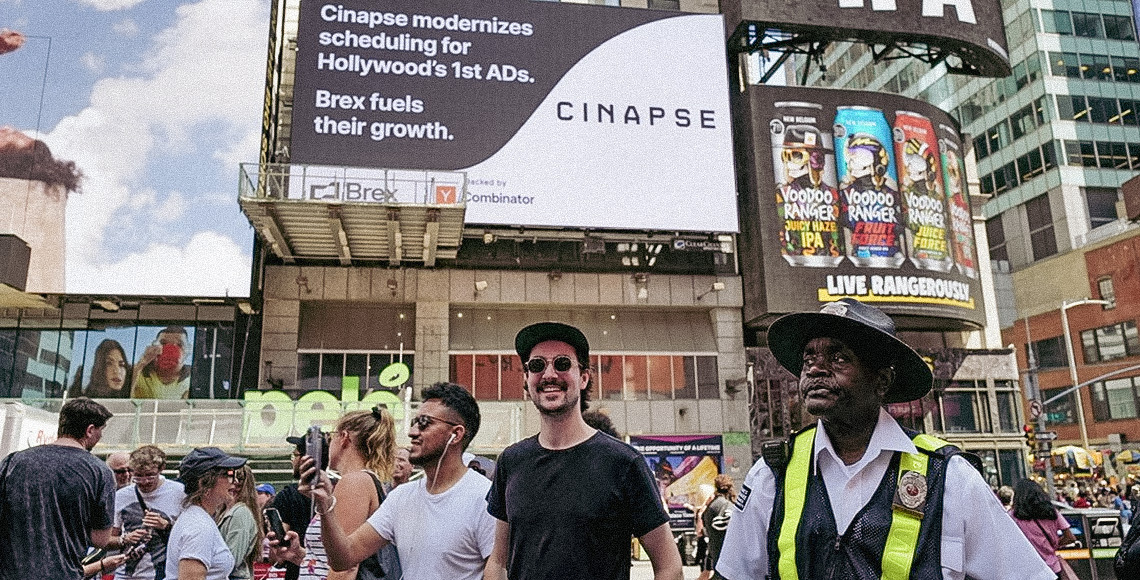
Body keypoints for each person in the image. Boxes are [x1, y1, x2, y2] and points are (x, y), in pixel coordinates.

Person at [716, 298, 1055, 580]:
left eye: (838, 357)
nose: (815, 369)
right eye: (809, 358)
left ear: (881, 381)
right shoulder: (773, 473)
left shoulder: (948, 476)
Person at [484, 322, 683, 580]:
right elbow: (498, 562)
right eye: (537, 365)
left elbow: (670, 566)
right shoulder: (511, 461)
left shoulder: (623, 462)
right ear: (526, 379)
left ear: (584, 378)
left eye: (563, 364)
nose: (549, 375)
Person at [274, 382, 496, 580]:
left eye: (424, 423)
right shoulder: (402, 496)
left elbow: (497, 570)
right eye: (414, 422)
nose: (412, 432)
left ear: (455, 435)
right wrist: (325, 506)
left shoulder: (485, 499)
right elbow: (344, 558)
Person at [273, 407, 399, 580]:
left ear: (344, 438)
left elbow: (346, 567)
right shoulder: (358, 481)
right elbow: (329, 562)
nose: (328, 444)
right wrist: (297, 555)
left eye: (331, 437)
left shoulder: (354, 482)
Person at [0, 397, 116, 580]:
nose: (100, 436)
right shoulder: (100, 472)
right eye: (101, 430)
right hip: (63, 574)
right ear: (90, 430)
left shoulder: (13, 461)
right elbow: (100, 539)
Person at [165, 447, 247, 580]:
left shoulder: (198, 518)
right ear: (204, 482)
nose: (235, 481)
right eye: (228, 474)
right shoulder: (199, 527)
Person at [107, 445, 186, 580]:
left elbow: (189, 537)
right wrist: (125, 539)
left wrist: (166, 526)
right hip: (126, 574)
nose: (144, 482)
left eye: (150, 475)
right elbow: (107, 540)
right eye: (138, 476)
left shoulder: (179, 492)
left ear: (161, 469)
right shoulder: (122, 496)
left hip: (164, 573)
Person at [267, 435, 327, 580]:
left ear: (305, 459)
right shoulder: (336, 493)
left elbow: (278, 554)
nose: (292, 460)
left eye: (295, 455)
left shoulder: (287, 496)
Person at [1009, 478, 1077, 579]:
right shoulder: (1051, 512)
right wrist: (1052, 545)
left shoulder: (1013, 516)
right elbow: (1070, 537)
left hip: (1029, 571)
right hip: (1052, 569)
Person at [220, 464, 262, 580]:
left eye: (240, 478)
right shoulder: (225, 511)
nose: (235, 482)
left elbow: (233, 560)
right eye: (231, 477)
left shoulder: (240, 513)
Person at [132, 326, 191, 399]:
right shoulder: (138, 372)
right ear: (154, 346)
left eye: (179, 345)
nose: (170, 350)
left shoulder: (193, 378)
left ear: (187, 351)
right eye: (163, 343)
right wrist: (142, 363)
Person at [702, 475, 734, 580]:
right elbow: (723, 523)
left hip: (716, 554)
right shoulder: (724, 505)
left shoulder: (714, 504)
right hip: (727, 559)